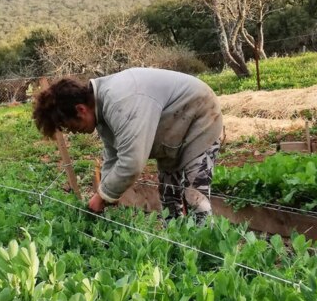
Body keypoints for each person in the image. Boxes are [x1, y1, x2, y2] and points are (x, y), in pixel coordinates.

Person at [32, 67, 223, 222]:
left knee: (195, 197)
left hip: (200, 115)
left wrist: (102, 197)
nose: (72, 131)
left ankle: (206, 255)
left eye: (69, 125)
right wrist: (105, 193)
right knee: (169, 197)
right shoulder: (102, 108)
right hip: (172, 128)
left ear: (80, 110)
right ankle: (178, 246)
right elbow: (113, 156)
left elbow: (132, 162)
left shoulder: (120, 101)